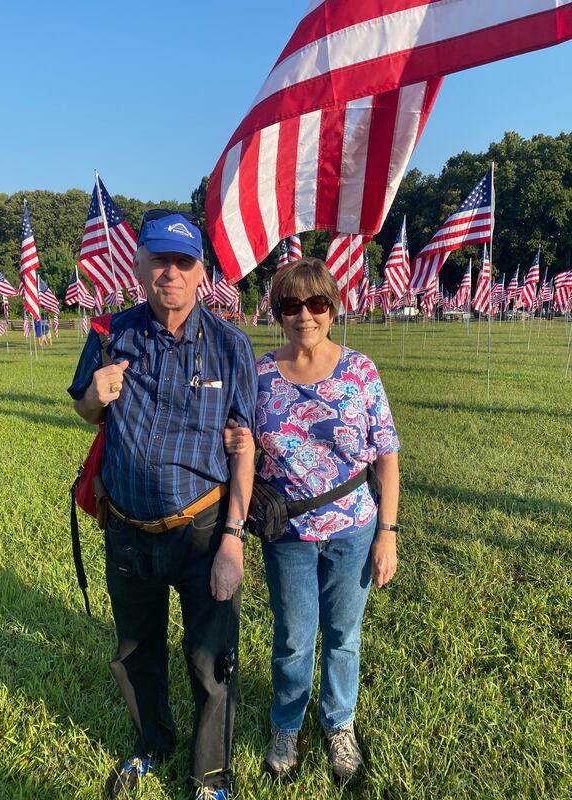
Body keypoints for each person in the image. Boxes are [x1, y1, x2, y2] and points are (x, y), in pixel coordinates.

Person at [68, 211, 257, 800]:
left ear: (202, 272)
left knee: (210, 660)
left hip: (201, 530)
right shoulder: (108, 335)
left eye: (183, 262)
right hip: (126, 529)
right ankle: (153, 743)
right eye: (158, 261)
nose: (169, 273)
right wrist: (93, 399)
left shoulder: (231, 347)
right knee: (135, 651)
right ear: (140, 265)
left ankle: (210, 777)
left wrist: (233, 537)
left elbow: (244, 448)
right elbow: (84, 409)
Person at [226, 258, 400, 785]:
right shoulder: (257, 374)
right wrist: (238, 442)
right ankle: (286, 725)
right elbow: (242, 448)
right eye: (291, 305)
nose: (305, 314)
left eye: (316, 303)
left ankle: (338, 724)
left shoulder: (360, 370)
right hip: (289, 535)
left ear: (332, 307)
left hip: (354, 528)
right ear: (277, 312)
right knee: (296, 637)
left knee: (344, 635)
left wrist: (388, 532)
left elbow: (386, 455)